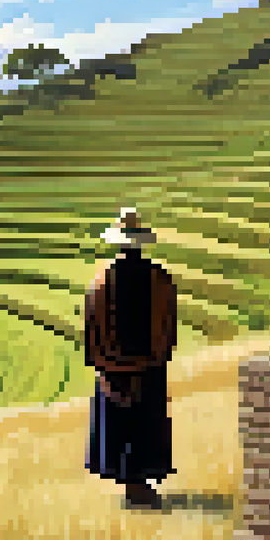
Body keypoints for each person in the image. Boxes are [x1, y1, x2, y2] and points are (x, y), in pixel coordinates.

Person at [84, 207, 179, 510]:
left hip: (113, 370)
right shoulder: (160, 280)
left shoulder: (100, 282)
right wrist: (157, 358)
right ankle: (139, 485)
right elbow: (169, 327)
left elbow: (91, 328)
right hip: (149, 368)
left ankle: (132, 486)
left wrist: (103, 364)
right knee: (145, 426)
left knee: (119, 427)